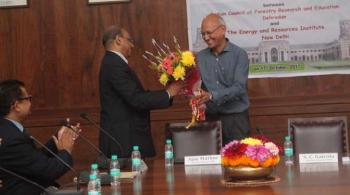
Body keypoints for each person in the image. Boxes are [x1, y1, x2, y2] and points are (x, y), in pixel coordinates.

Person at [99, 25, 184, 158]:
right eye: (129, 40)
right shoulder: (114, 64)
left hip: (127, 137)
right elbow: (136, 99)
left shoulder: (113, 62)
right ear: (119, 40)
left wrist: (166, 92)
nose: (132, 45)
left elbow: (136, 95)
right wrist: (168, 93)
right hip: (124, 140)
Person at [0, 80, 80, 195]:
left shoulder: (8, 129)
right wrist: (66, 150)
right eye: (28, 99)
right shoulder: (11, 138)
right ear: (16, 106)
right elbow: (48, 171)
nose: (30, 103)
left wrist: (59, 137)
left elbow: (33, 158)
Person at [196, 14, 251, 145]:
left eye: (209, 33)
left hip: (236, 119)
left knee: (239, 162)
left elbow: (239, 88)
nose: (205, 37)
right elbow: (198, 86)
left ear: (223, 29)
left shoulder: (239, 54)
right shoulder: (200, 57)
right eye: (203, 34)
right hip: (210, 119)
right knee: (211, 161)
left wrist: (212, 96)